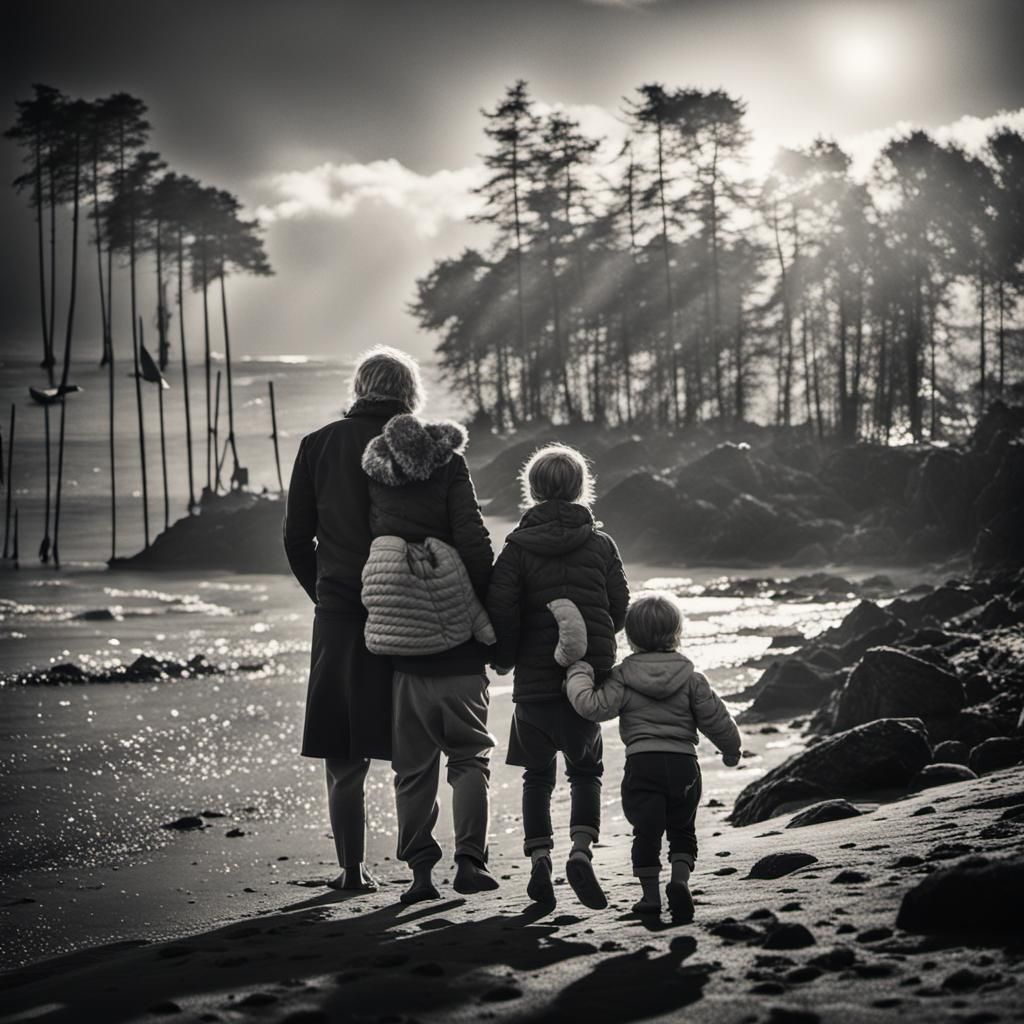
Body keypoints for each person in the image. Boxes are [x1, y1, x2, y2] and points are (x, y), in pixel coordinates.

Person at [283, 345, 423, 892]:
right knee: (415, 749)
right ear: (407, 392)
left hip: (340, 615)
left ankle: (351, 870)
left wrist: (325, 591)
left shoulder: (317, 445)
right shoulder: (418, 445)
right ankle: (422, 871)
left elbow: (297, 539)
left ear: (360, 388)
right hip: (411, 610)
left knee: (344, 755)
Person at [360, 411, 497, 903]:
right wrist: (492, 623)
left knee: (414, 771)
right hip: (460, 657)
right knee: (469, 760)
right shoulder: (451, 466)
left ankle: (420, 876)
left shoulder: (373, 469)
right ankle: (469, 862)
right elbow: (474, 539)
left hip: (404, 660)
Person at [487, 444, 629, 909]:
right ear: (581, 488)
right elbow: (619, 604)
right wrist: (600, 637)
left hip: (533, 684)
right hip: (585, 680)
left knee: (536, 775)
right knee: (586, 772)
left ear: (531, 492)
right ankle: (582, 851)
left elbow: (501, 607)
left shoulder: (516, 548)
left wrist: (504, 658)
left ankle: (540, 859)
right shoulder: (602, 543)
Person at [564, 593, 742, 920]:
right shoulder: (691, 678)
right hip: (684, 766)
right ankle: (680, 881)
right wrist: (732, 749)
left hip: (643, 764)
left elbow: (592, 707)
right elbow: (717, 719)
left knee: (646, 832)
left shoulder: (623, 676)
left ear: (630, 637)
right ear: (677, 634)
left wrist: (578, 673)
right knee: (682, 829)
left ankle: (650, 897)